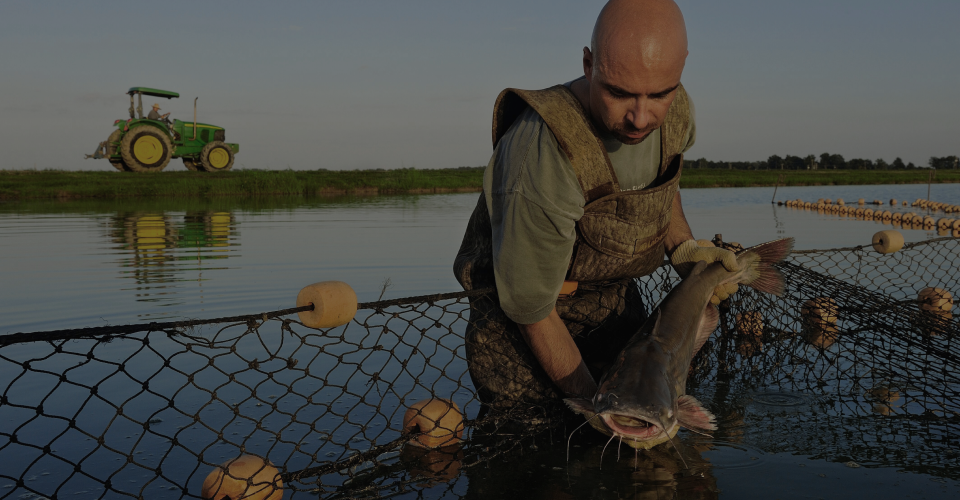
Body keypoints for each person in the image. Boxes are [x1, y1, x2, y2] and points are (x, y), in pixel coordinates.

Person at [453, 0, 740, 419]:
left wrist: (684, 250)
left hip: (612, 302)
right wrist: (599, 409)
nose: (641, 118)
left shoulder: (675, 111)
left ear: (679, 71)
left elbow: (665, 182)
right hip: (526, 324)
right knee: (545, 456)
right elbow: (531, 309)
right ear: (589, 65)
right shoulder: (542, 154)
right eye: (619, 93)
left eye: (659, 93)